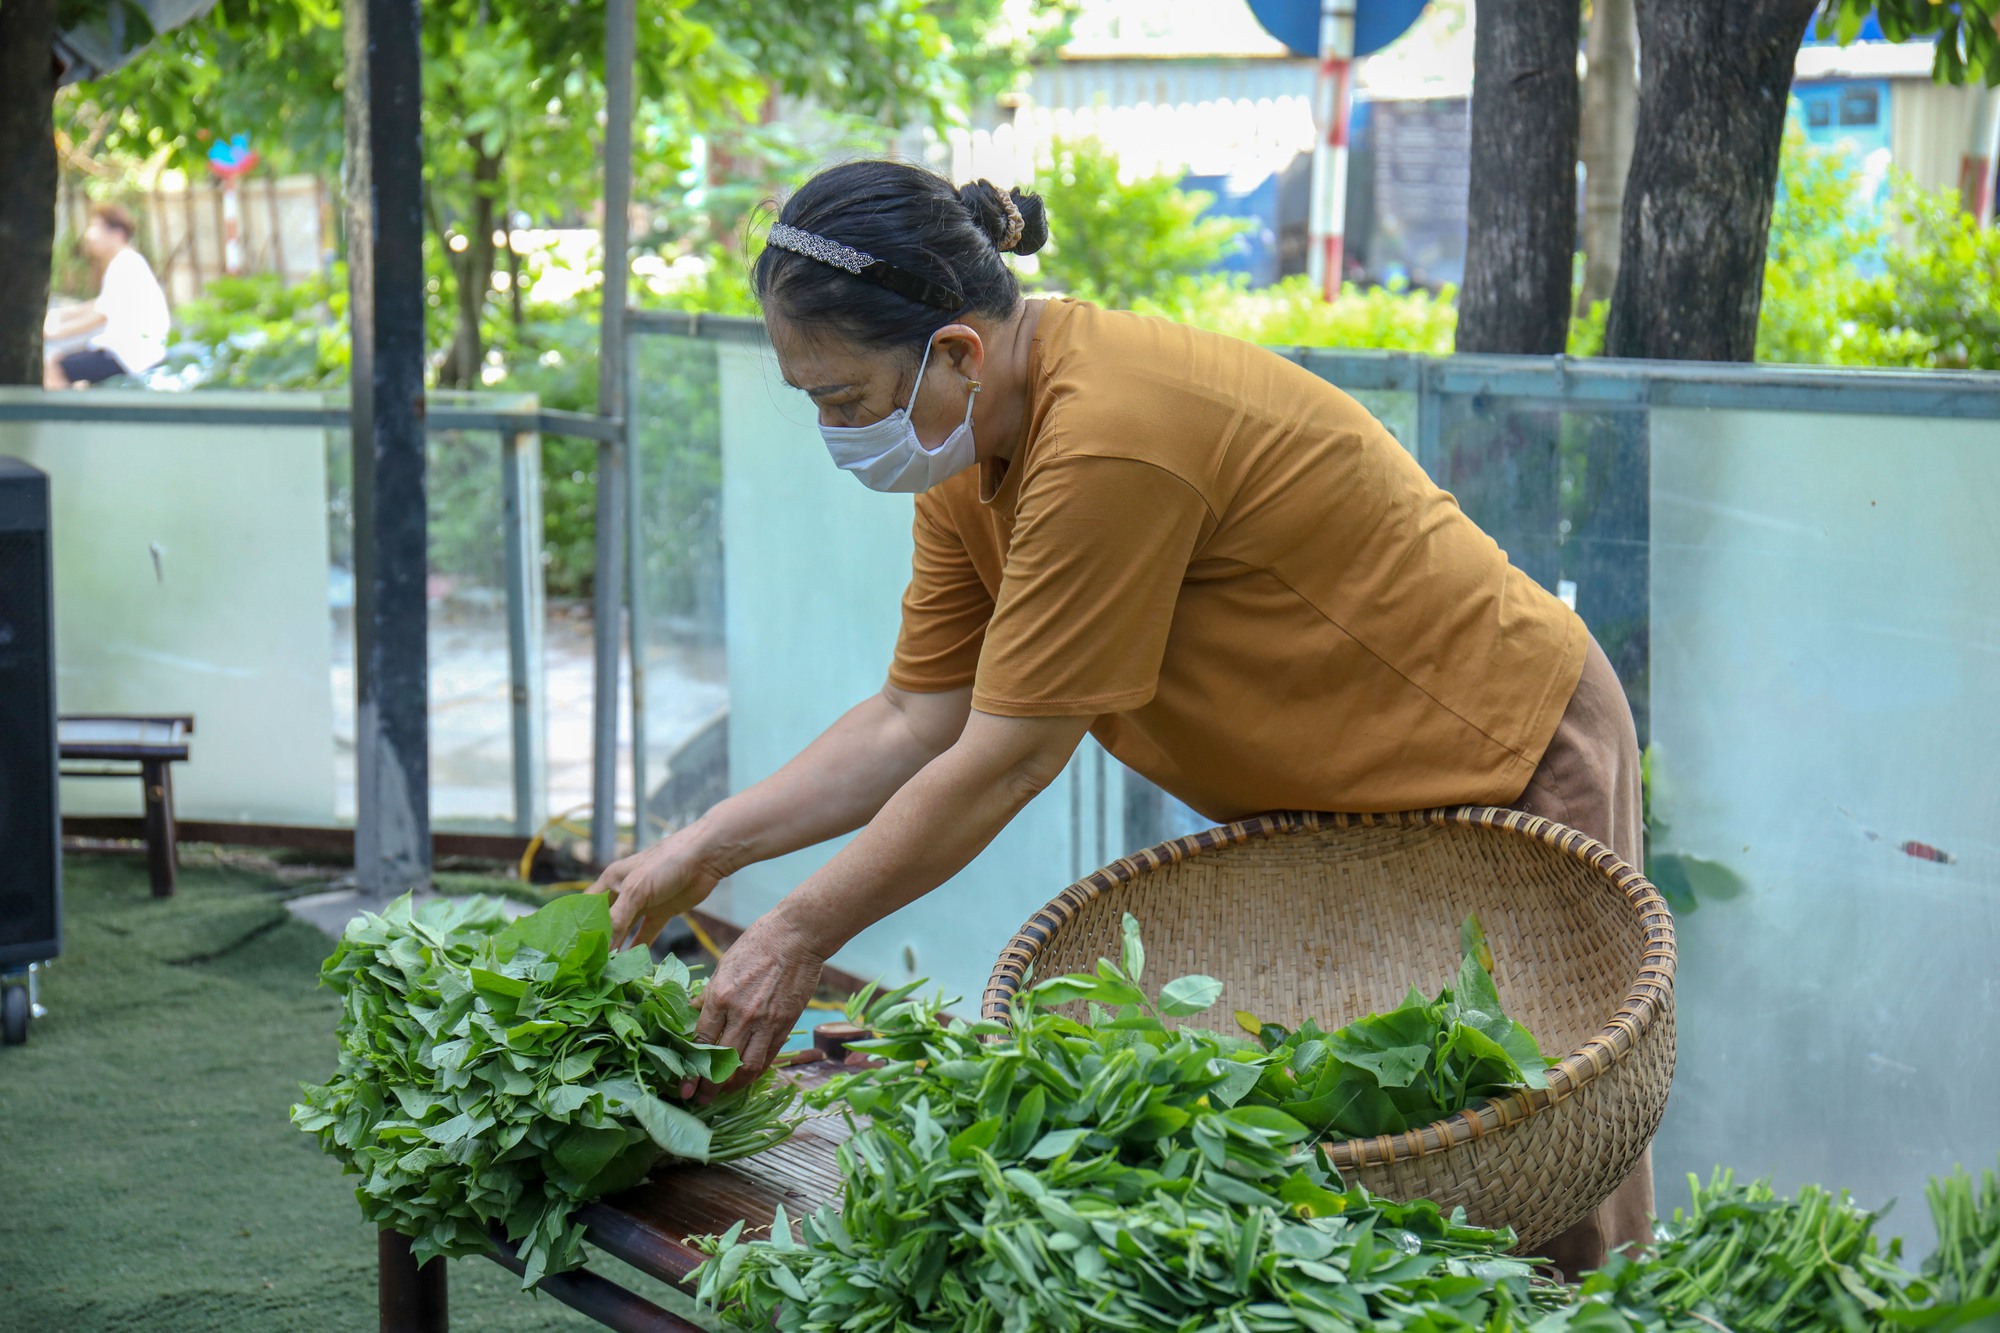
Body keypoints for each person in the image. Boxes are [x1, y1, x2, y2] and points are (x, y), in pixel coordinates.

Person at [588, 161, 1650, 1275]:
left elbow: (1007, 758)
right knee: (1391, 1163)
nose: (833, 428)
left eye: (842, 397)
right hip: (1347, 807)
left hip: (1503, 746)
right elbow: (913, 716)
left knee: (1535, 1158)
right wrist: (698, 853)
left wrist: (794, 934)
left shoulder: (1106, 436)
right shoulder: (967, 453)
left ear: (955, 353)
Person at [43, 204, 170, 389]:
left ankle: (63, 415)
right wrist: (60, 315)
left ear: (117, 233)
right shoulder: (127, 261)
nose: (89, 235)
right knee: (75, 372)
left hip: (129, 354)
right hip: (130, 352)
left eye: (95, 227)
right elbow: (99, 304)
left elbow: (100, 315)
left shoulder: (124, 263)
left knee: (54, 367)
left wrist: (54, 333)